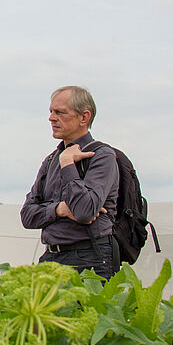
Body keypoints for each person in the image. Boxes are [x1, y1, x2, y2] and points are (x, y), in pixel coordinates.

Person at [20, 86, 118, 279]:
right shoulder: (50, 160)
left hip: (90, 259)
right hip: (51, 257)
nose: (51, 118)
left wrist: (67, 164)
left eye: (60, 112)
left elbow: (84, 211)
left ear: (84, 117)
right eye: (51, 112)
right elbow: (27, 215)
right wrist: (60, 210)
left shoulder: (102, 156)